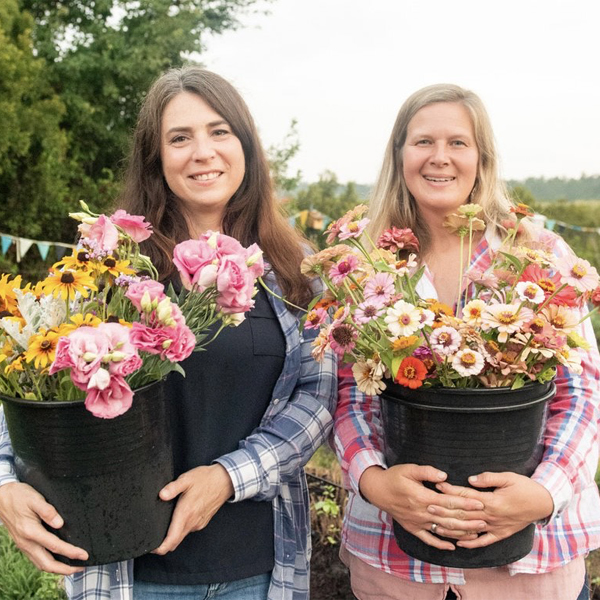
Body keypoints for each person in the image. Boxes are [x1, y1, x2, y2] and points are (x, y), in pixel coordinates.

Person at [0, 66, 337, 600]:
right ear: (156, 158)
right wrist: (3, 485)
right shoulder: (109, 269)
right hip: (126, 572)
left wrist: (228, 477)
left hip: (258, 567)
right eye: (180, 138)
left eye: (219, 131)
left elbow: (317, 400)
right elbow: (27, 386)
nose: (203, 152)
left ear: (246, 145)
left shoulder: (294, 271)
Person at [332, 84, 600, 600]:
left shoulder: (537, 252)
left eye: (458, 142)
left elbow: (582, 393)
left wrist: (544, 493)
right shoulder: (364, 260)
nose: (439, 158)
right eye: (422, 142)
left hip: (531, 561)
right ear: (399, 155)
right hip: (396, 558)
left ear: (483, 158)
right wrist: (374, 482)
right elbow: (347, 392)